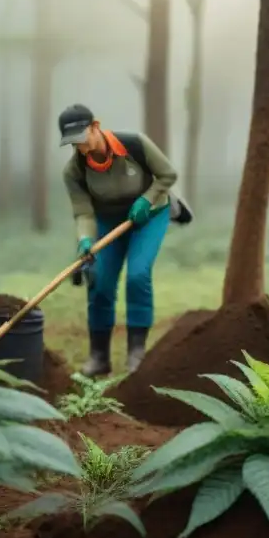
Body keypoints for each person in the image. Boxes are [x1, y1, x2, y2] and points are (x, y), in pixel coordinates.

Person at [59, 103, 178, 377]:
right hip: (107, 221)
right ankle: (99, 357)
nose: (80, 147)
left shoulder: (135, 144)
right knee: (99, 281)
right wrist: (86, 240)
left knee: (137, 275)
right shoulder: (74, 171)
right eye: (73, 142)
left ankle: (136, 353)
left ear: (95, 126)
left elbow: (168, 174)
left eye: (82, 137)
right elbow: (83, 212)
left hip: (148, 217)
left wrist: (147, 199)